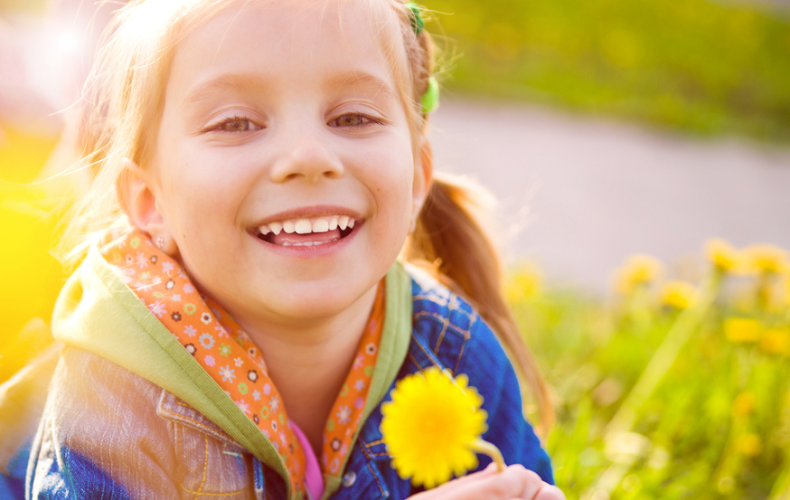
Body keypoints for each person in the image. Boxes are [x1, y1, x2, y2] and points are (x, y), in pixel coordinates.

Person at [21, 0, 565, 498]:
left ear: (418, 178)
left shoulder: (456, 353)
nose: (308, 155)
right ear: (150, 201)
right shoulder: (112, 398)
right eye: (235, 123)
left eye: (353, 117)